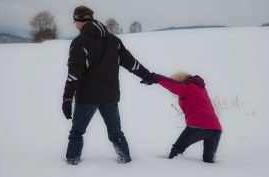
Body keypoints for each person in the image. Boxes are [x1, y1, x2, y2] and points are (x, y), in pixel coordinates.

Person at [62, 5, 157, 165]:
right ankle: (125, 160)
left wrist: (67, 99)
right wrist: (146, 75)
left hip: (87, 97)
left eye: (75, 21)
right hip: (110, 95)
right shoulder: (114, 41)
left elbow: (73, 75)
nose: (75, 25)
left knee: (77, 132)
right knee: (116, 133)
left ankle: (72, 162)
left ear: (79, 20)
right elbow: (131, 63)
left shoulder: (79, 43)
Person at [153, 72, 222, 163]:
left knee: (176, 150)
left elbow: (169, 83)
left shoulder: (186, 87)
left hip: (198, 127)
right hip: (216, 129)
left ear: (179, 81)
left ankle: (170, 171)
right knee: (209, 160)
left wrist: (154, 77)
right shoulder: (201, 88)